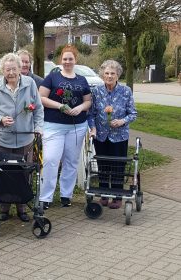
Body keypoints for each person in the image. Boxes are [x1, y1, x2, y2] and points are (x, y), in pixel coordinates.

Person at [0, 53, 44, 222]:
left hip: (25, 138)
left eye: (14, 69)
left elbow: (38, 108)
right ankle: (4, 208)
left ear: (20, 69)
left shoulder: (30, 84)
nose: (11, 72)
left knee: (23, 173)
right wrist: (0, 119)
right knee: (3, 173)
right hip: (2, 139)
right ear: (2, 70)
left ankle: (22, 207)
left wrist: (38, 128)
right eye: (7, 69)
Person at [38, 44, 92, 209]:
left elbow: (88, 101)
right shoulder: (52, 77)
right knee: (50, 160)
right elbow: (41, 98)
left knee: (71, 161)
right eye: (65, 59)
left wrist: (80, 108)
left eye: (71, 58)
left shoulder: (82, 80)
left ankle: (65, 195)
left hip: (76, 127)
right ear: (60, 60)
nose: (67, 61)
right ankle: (45, 197)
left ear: (75, 60)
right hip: (53, 126)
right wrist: (59, 106)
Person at [88, 60, 137, 209]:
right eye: (107, 73)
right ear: (102, 74)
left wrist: (122, 121)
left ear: (118, 75)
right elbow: (91, 114)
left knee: (117, 165)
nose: (109, 76)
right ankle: (103, 194)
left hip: (119, 136)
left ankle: (117, 196)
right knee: (103, 164)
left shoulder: (126, 91)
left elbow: (133, 114)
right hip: (101, 136)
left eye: (112, 73)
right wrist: (93, 128)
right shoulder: (96, 91)